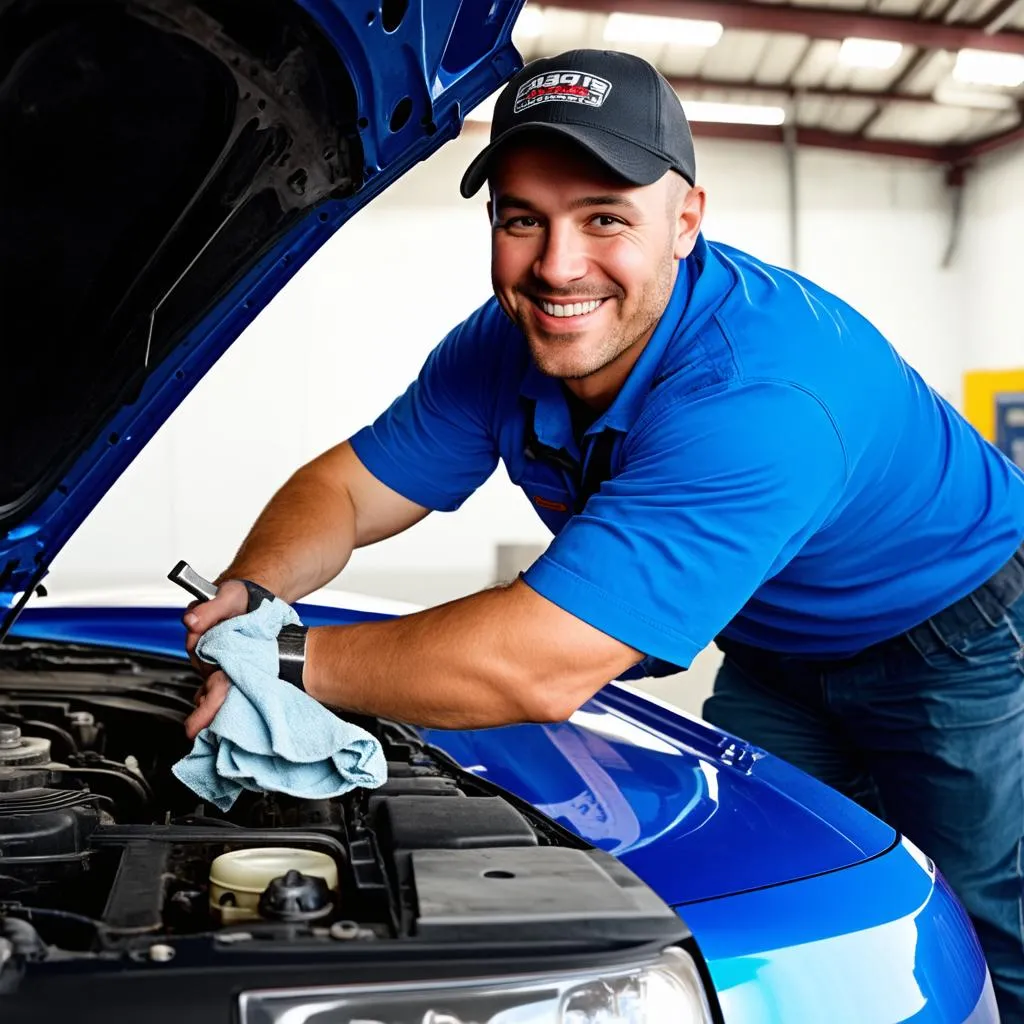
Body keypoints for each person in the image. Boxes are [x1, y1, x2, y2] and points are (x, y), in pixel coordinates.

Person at [182, 49, 1024, 1018]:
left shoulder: (761, 393)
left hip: (949, 633)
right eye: (521, 218)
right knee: (762, 892)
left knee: (974, 912)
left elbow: (538, 665)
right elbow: (344, 489)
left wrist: (285, 659)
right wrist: (255, 593)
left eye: (604, 218)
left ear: (686, 221)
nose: (556, 264)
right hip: (773, 645)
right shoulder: (503, 344)